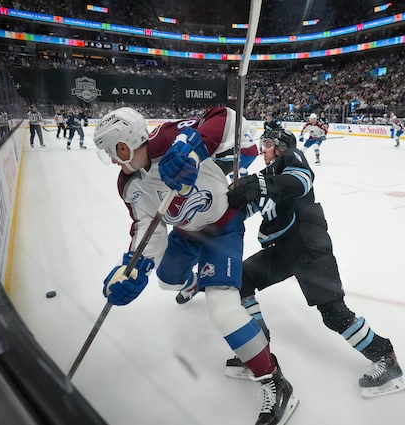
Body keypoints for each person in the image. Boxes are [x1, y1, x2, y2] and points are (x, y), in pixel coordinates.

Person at [92, 107, 298, 425]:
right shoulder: (129, 185)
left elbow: (229, 118)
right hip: (186, 234)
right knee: (167, 281)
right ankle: (194, 281)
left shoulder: (172, 137)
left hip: (221, 228)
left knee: (222, 310)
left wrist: (193, 147)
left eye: (112, 153)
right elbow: (147, 228)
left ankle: (274, 379)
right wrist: (131, 269)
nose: (114, 162)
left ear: (123, 146)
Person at [191, 128, 405, 399]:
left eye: (268, 144)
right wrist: (209, 216)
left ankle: (385, 356)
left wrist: (259, 186)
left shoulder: (291, 158)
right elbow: (242, 210)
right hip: (282, 249)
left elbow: (301, 181)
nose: (263, 149)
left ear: (281, 146)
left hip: (306, 242)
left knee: (334, 312)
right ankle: (258, 347)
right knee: (242, 279)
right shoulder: (267, 177)